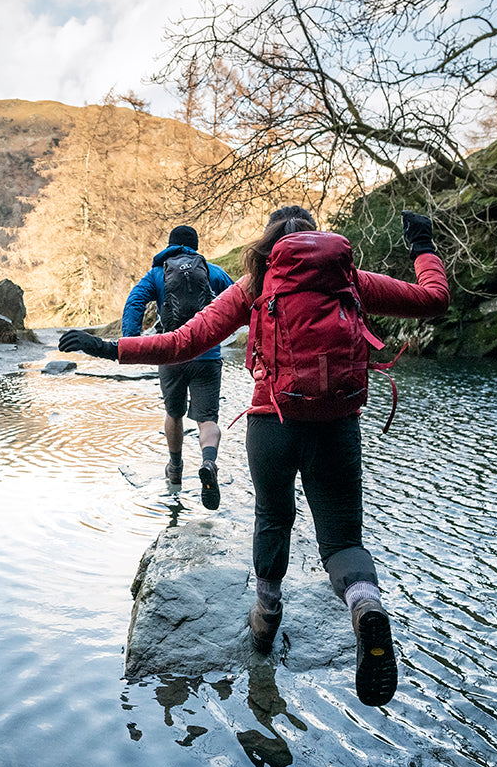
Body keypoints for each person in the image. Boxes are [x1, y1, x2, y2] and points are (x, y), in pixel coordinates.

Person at [59, 207, 449, 707]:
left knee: (272, 519)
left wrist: (110, 347)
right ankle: (365, 605)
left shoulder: (255, 284)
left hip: (272, 424)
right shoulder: (350, 278)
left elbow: (184, 342)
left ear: (270, 244)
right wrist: (421, 242)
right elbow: (433, 300)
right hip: (338, 425)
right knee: (341, 539)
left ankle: (265, 622)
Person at [60, 224, 233, 510]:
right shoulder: (210, 271)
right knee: (207, 420)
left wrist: (131, 339)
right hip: (207, 355)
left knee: (173, 413)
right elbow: (237, 297)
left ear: (170, 245)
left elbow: (135, 300)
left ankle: (175, 468)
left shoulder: (158, 273)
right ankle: (208, 462)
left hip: (169, 354)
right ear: (195, 247)